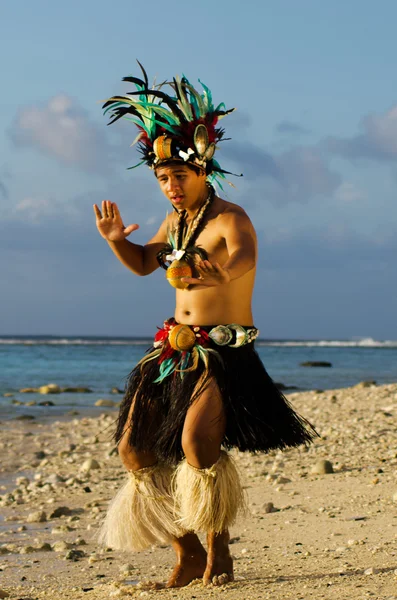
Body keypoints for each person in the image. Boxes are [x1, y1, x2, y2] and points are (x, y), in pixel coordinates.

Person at [94, 63, 317, 588]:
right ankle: (187, 550)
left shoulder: (230, 219)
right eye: (162, 178)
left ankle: (220, 554)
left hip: (224, 352)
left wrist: (220, 272)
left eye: (178, 176)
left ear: (203, 169)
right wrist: (114, 241)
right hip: (173, 348)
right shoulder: (176, 222)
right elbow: (146, 263)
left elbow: (242, 258)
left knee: (198, 447)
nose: (170, 186)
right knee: (133, 448)